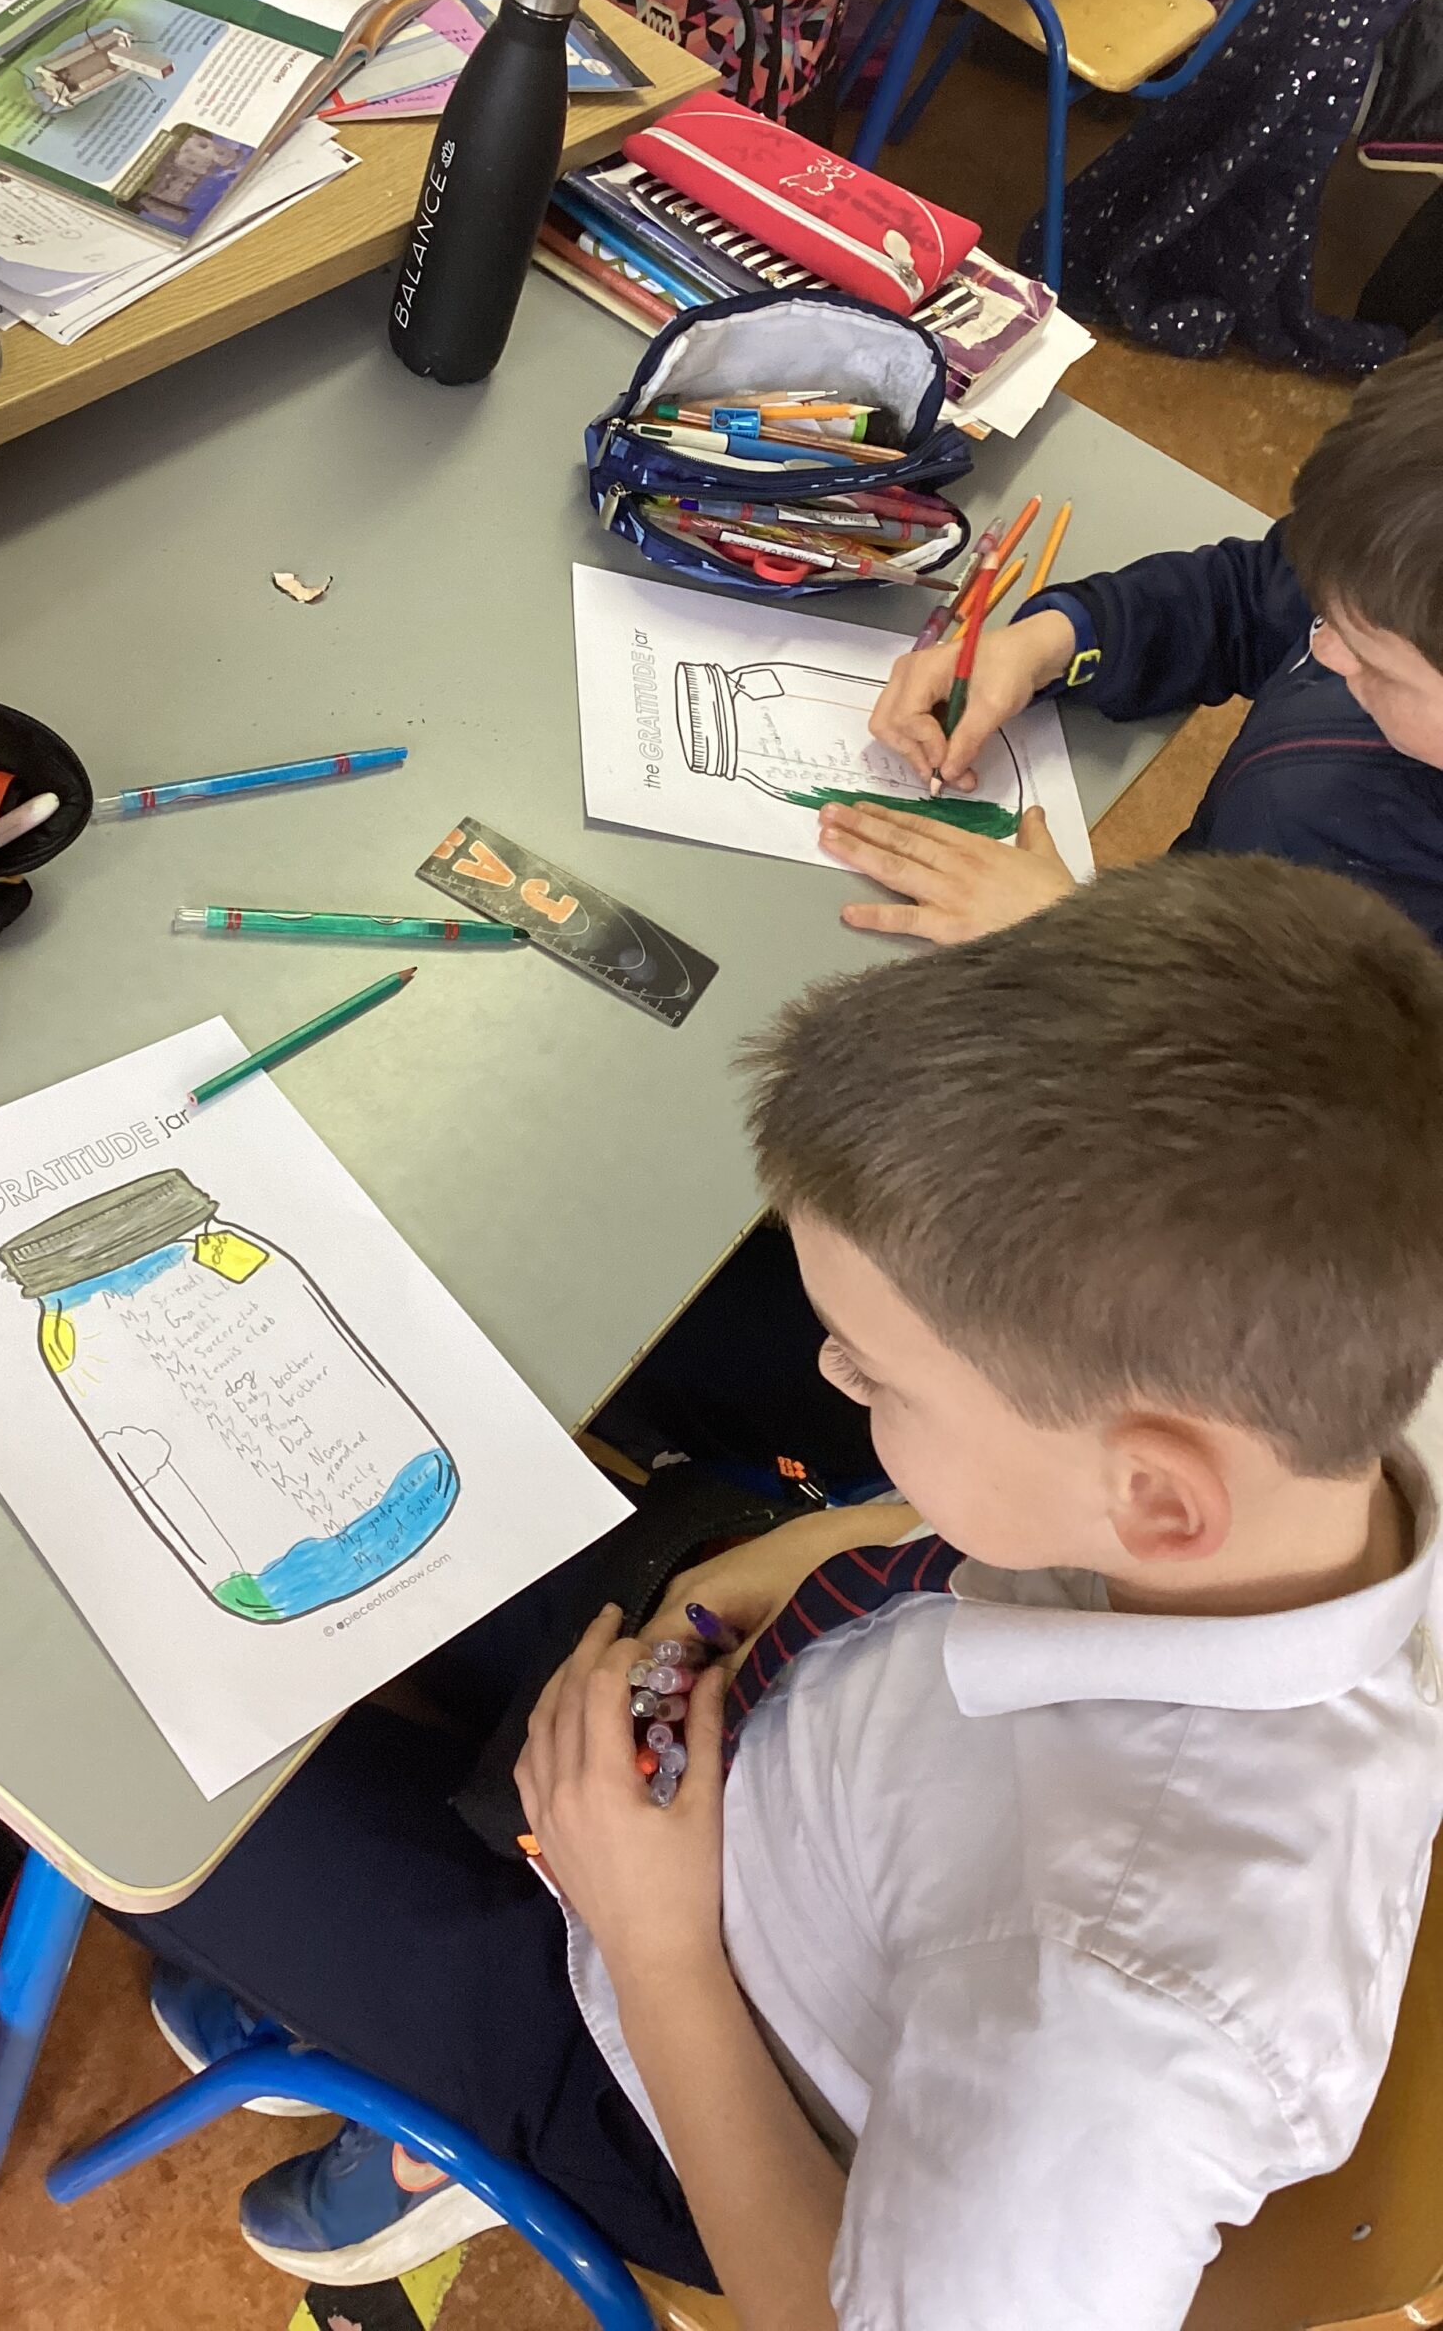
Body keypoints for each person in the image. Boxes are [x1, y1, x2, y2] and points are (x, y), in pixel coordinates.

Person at [125, 854, 1443, 2330]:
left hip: (682, 2063)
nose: (832, 1377)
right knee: (353, 1526)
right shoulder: (1320, 1405)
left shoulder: (1109, 2037)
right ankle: (338, 1997)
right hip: (761, 1740)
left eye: (879, 1381)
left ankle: (432, 2120)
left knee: (151, 1785)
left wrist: (658, 1954)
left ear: (1153, 1495)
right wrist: (839, 1541)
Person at [813, 342, 1443, 945]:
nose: (1320, 647)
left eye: (1377, 665)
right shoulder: (1388, 578)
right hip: (1189, 901)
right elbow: (1247, 597)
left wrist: (1077, 941)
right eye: (1323, 615)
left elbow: (1261, 1023)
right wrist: (1057, 640)